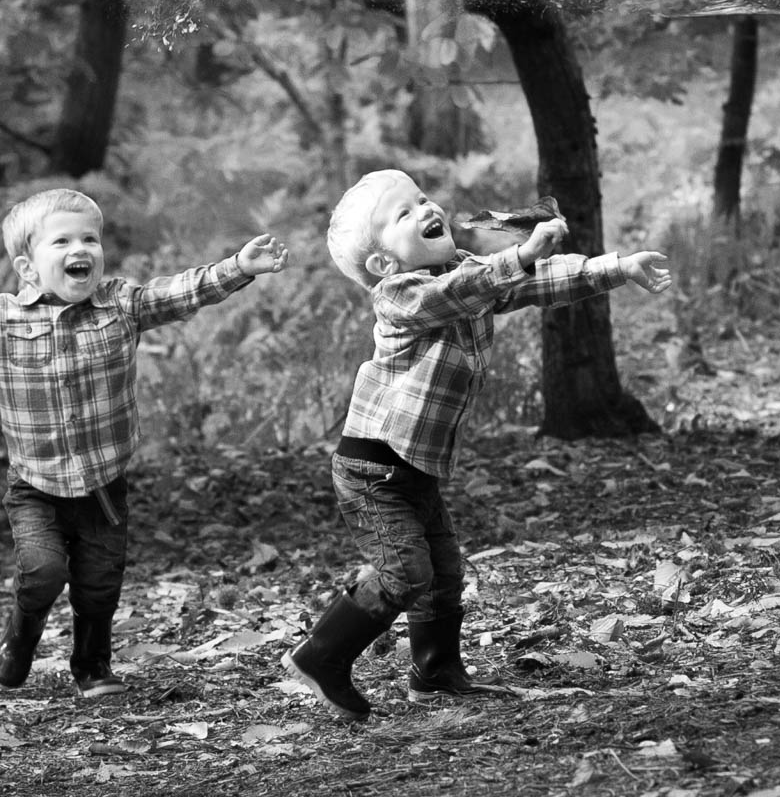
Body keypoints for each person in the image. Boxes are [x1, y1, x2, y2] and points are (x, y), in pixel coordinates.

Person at [0, 188, 289, 698]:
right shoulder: (1, 320)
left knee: (99, 583)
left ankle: (92, 666)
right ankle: (19, 638)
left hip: (103, 485)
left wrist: (239, 267)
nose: (81, 249)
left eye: (90, 238)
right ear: (27, 267)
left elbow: (179, 293)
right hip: (35, 483)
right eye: (62, 240)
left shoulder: (121, 305)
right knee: (43, 570)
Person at [282, 169, 670, 721]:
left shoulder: (466, 269)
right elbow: (460, 292)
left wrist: (615, 268)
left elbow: (528, 285)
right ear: (382, 264)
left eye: (421, 198)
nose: (424, 209)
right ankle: (321, 656)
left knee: (443, 576)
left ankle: (435, 674)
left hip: (414, 466)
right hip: (373, 468)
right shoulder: (400, 295)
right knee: (404, 575)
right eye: (403, 214)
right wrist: (516, 257)